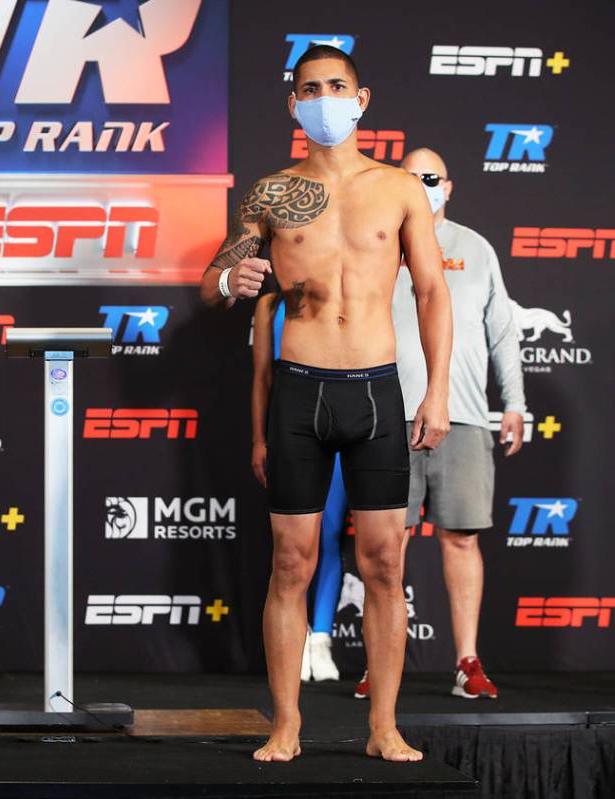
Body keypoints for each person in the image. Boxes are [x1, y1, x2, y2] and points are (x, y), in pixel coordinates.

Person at [201, 45, 452, 762]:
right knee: (290, 562)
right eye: (309, 88)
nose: (323, 98)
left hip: (374, 390)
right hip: (300, 393)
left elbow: (431, 292)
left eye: (335, 86)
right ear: (293, 104)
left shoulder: (400, 189)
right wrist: (230, 283)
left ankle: (382, 727)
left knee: (382, 563)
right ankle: (286, 724)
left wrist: (434, 389)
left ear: (361, 98)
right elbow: (212, 278)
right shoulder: (269, 193)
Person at [353, 147, 525, 701]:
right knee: (387, 544)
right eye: (410, 176)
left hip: (467, 414)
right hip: (388, 414)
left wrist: (514, 403)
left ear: (449, 186)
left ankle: (467, 662)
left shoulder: (476, 248)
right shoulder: (377, 242)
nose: (421, 185)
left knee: (461, 538)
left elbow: (502, 331)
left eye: (430, 177)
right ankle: (380, 664)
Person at [251, 292, 345, 683]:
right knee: (292, 546)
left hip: (343, 425)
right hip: (291, 428)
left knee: (330, 534)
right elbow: (262, 377)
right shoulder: (270, 304)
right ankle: (299, 638)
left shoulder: (340, 287)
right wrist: (259, 439)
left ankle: (321, 636)